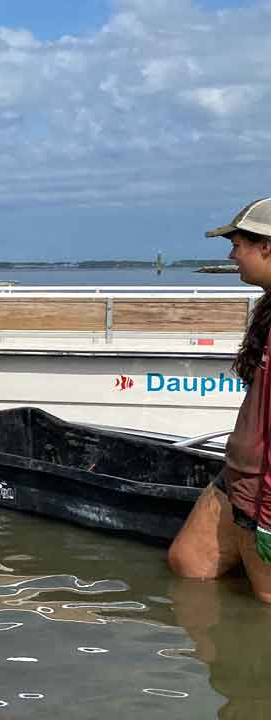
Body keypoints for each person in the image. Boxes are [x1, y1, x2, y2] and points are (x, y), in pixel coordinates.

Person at [168, 197, 271, 604]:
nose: (231, 255)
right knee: (189, 563)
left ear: (266, 246)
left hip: (264, 490)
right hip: (238, 477)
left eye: (238, 244)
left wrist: (267, 519)